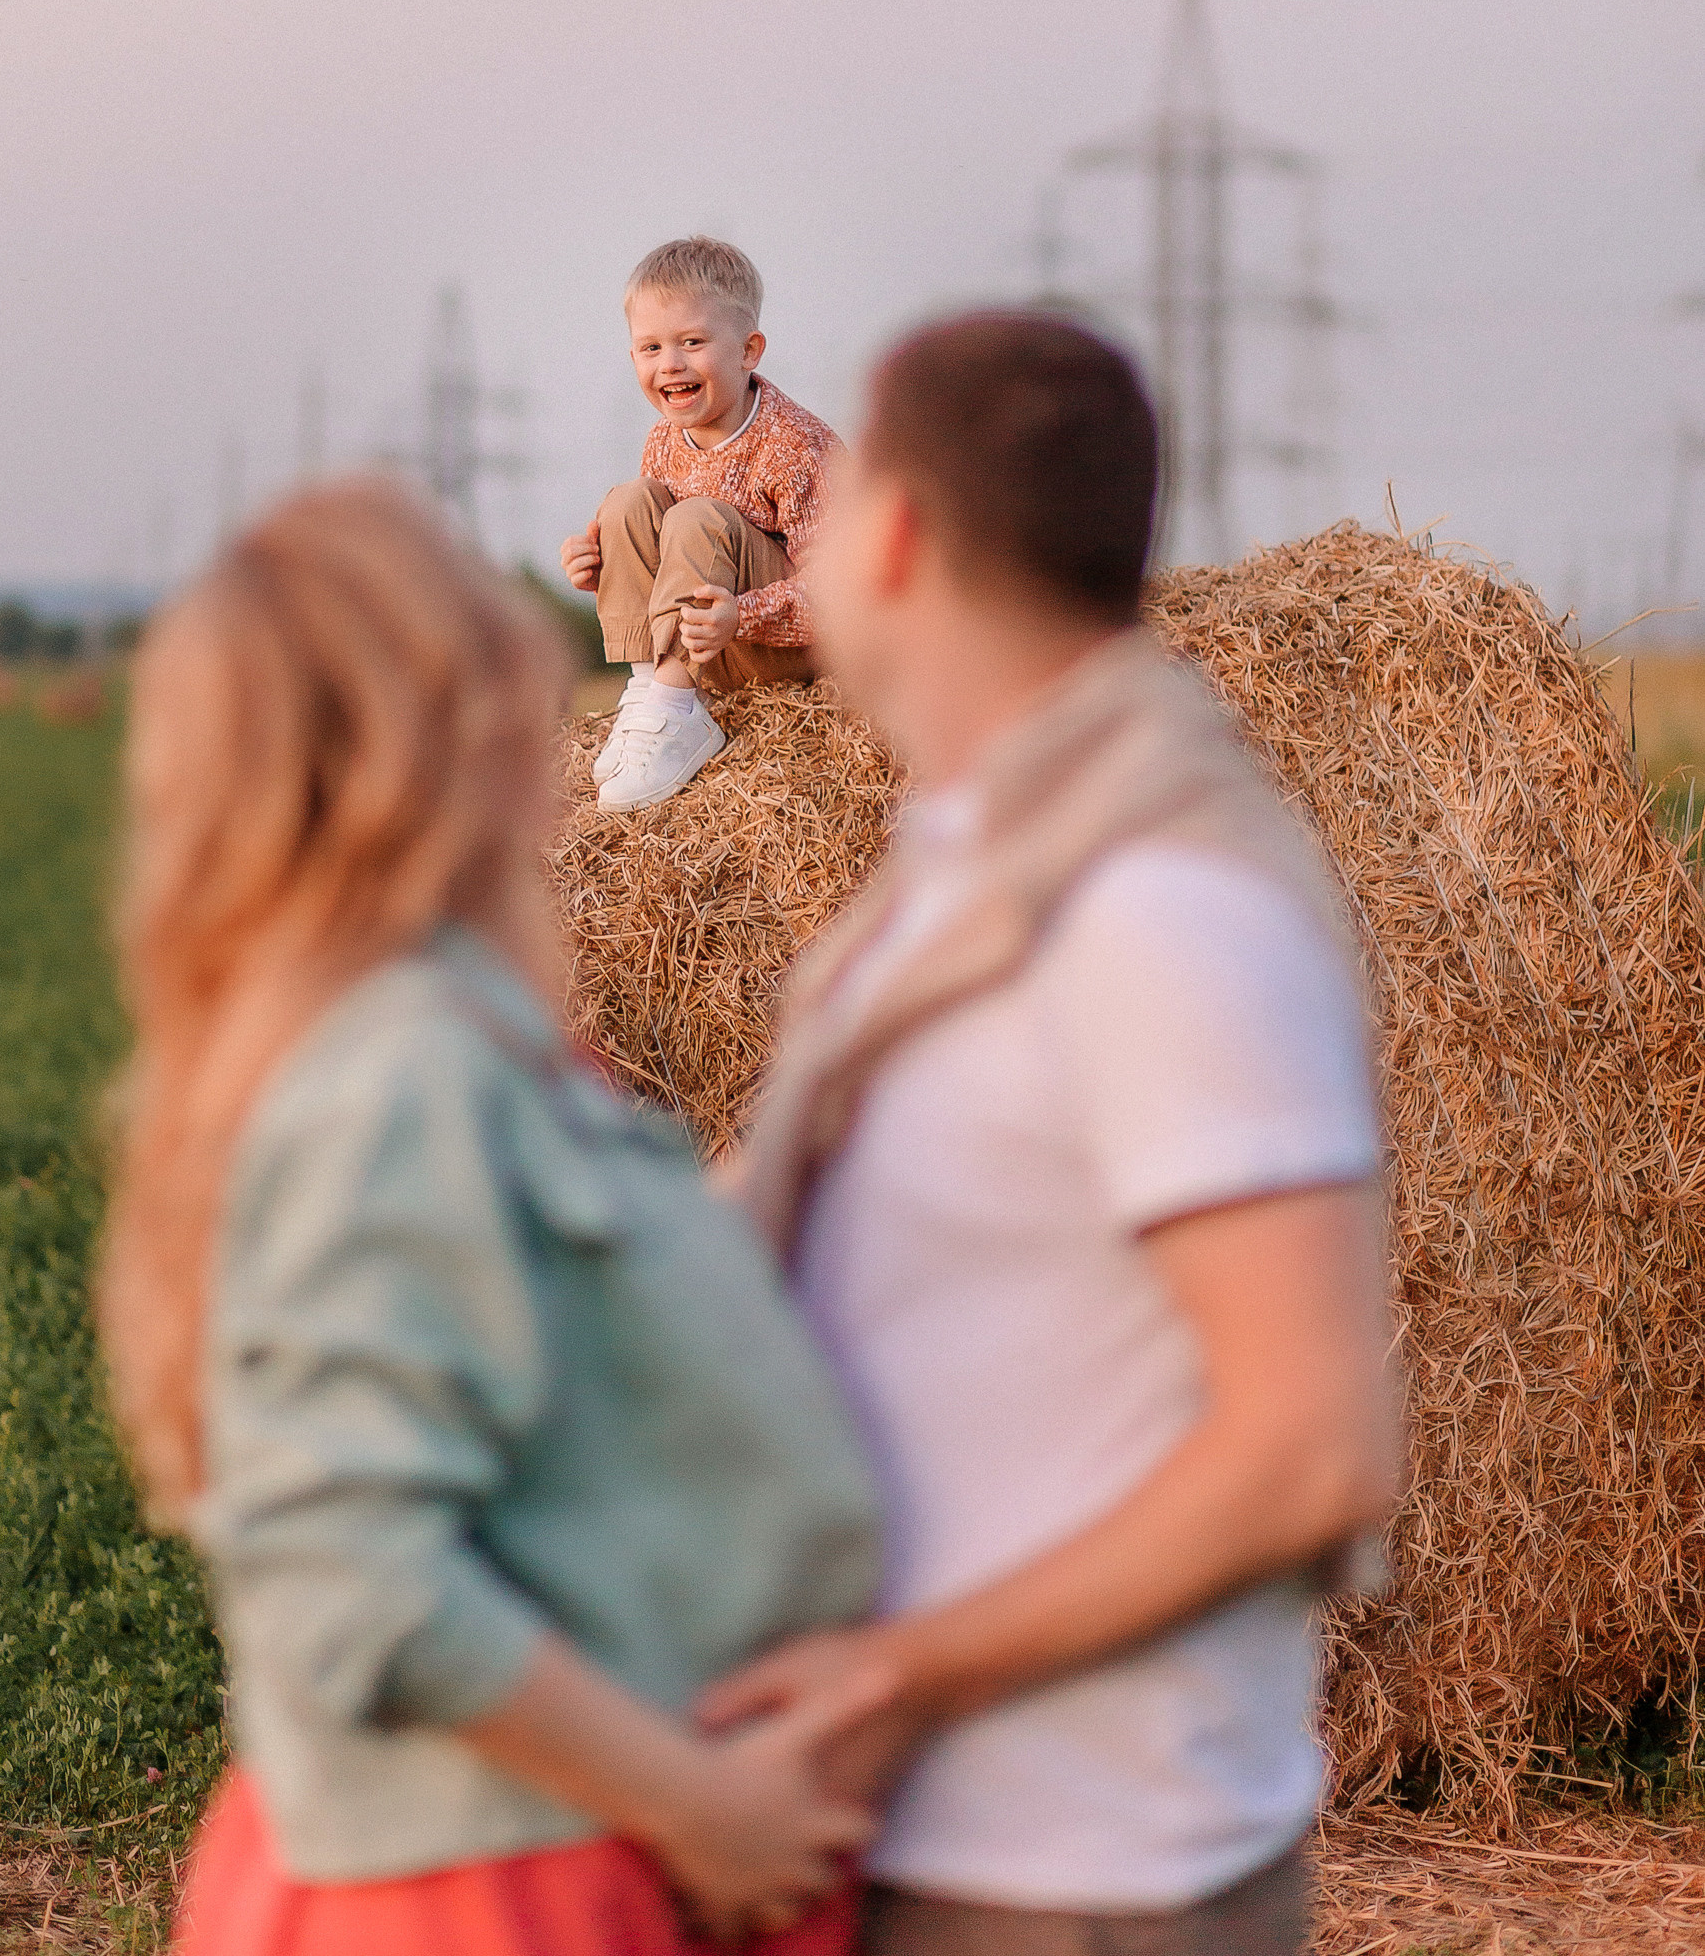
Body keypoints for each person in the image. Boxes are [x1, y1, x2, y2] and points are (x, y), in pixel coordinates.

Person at [98, 477, 887, 1956]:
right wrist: (696, 1805)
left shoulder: (448, 1031)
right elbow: (349, 1573)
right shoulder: (393, 1068)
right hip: (504, 1892)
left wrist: (823, 1096)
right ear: (442, 740)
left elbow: (574, 1294)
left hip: (558, 1855)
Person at [703, 313, 1401, 1956]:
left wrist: (900, 1674)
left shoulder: (1159, 909)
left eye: (833, 488)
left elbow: (1311, 1447)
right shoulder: (979, 873)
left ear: (902, 536)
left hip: (1081, 1884)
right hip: (909, 1846)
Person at [561, 237, 841, 813]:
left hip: (782, 649)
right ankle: (652, 697)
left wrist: (745, 613)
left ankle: (674, 706)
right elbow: (665, 559)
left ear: (749, 350)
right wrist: (603, 565)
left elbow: (844, 593)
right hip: (707, 644)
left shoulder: (795, 448)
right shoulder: (663, 438)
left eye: (692, 342)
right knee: (628, 503)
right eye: (650, 347)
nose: (670, 364)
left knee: (696, 517)